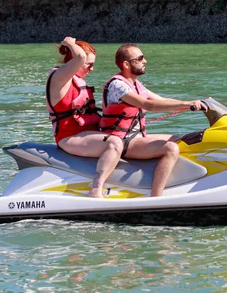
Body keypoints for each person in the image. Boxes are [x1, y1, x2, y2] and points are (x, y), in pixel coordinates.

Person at [98, 43, 206, 197]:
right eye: (140, 58)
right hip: (122, 141)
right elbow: (148, 105)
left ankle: (184, 184)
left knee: (180, 140)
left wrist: (195, 104)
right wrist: (186, 104)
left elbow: (161, 100)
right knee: (170, 148)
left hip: (136, 137)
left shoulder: (136, 84)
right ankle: (156, 196)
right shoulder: (118, 85)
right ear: (126, 64)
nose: (145, 61)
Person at [46, 37, 124, 198]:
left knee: (124, 137)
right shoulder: (59, 78)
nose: (92, 69)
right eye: (90, 65)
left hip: (88, 135)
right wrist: (69, 43)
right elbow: (80, 57)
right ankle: (96, 189)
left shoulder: (78, 82)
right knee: (114, 143)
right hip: (69, 137)